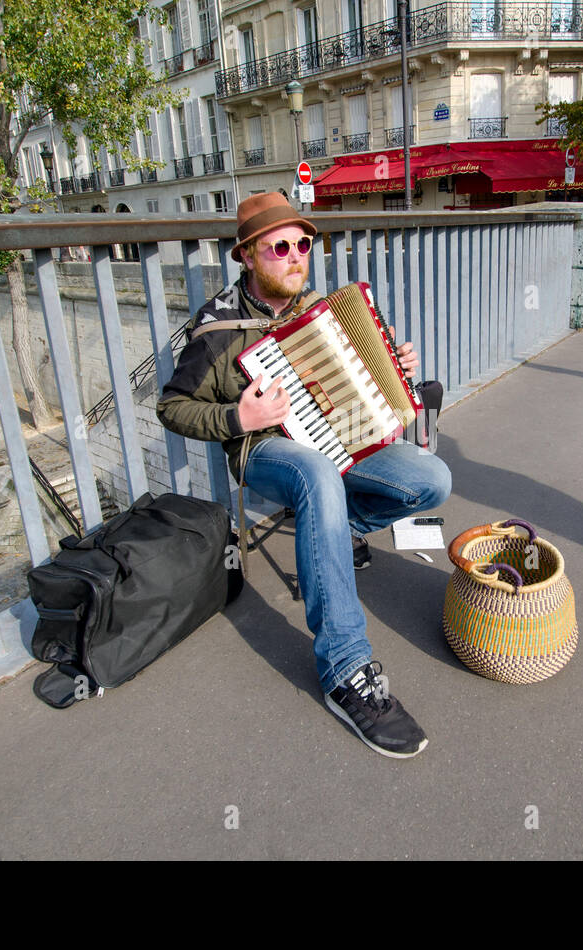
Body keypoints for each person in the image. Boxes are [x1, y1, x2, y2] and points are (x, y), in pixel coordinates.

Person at [156, 193, 451, 759]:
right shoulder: (216, 327)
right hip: (263, 448)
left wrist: (396, 364)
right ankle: (345, 668)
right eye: (279, 247)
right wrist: (237, 416)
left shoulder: (322, 306)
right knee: (316, 475)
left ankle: (340, 532)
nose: (295, 257)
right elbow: (173, 406)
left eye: (303, 245)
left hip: (337, 436)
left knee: (431, 477)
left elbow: (364, 375)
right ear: (246, 255)